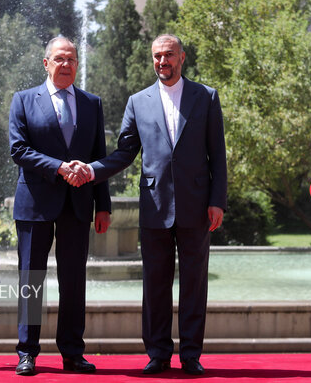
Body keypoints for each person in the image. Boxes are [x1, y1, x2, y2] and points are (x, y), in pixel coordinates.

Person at [68, 34, 227, 375]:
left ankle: (191, 356)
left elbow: (218, 156)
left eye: (168, 55)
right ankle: (157, 353)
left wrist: (217, 201)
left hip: (197, 207)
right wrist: (92, 169)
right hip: (154, 206)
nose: (162, 62)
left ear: (182, 57)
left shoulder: (206, 97)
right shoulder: (138, 101)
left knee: (194, 284)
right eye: (157, 56)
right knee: (154, 284)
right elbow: (125, 153)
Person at [9, 36, 111, 376]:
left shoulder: (92, 103)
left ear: (77, 64)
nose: (65, 64)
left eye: (71, 59)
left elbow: (100, 157)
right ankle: (27, 353)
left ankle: (72, 352)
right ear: (46, 63)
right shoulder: (23, 100)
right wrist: (58, 167)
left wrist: (104, 205)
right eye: (59, 59)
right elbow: (18, 150)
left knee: (73, 281)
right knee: (32, 280)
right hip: (35, 204)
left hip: (79, 205)